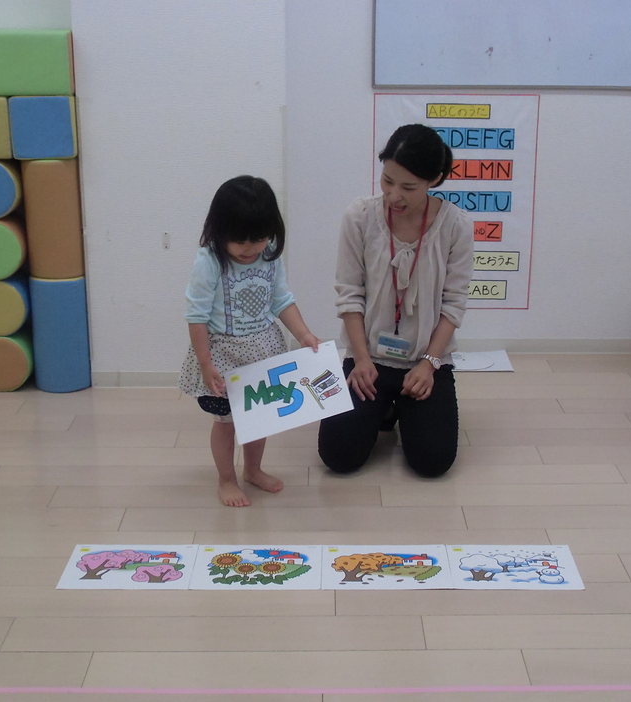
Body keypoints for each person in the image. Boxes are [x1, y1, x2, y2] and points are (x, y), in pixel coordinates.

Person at [318, 124, 474, 477]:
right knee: (338, 456)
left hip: (424, 359)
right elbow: (349, 294)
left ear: (435, 180)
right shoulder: (359, 217)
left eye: (408, 187)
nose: (394, 196)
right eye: (387, 181)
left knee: (433, 463)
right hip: (368, 357)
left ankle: (402, 408)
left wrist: (429, 364)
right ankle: (387, 408)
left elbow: (454, 304)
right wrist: (360, 360)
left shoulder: (456, 226)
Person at [178, 175, 319, 507]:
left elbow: (282, 300)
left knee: (259, 419)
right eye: (239, 240)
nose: (249, 248)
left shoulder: (268, 256)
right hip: (222, 355)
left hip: (263, 351)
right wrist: (205, 364)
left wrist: (304, 334)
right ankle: (226, 479)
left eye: (258, 238)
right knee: (226, 423)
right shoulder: (210, 261)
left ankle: (253, 470)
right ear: (219, 230)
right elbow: (196, 316)